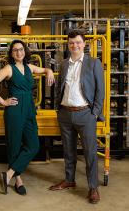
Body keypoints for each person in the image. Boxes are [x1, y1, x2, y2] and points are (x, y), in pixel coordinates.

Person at [0, 39, 54, 195]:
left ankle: (8, 174)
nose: (19, 52)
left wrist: (49, 71)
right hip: (14, 109)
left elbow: (44, 70)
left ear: (25, 51)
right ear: (11, 53)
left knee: (33, 145)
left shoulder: (29, 67)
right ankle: (18, 180)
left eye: (21, 49)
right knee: (14, 145)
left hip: (29, 108)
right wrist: (3, 101)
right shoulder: (9, 68)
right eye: (15, 50)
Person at [49, 30, 105, 204]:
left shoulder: (93, 63)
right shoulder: (63, 64)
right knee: (68, 150)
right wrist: (59, 109)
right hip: (65, 113)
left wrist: (94, 113)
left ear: (84, 44)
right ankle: (69, 180)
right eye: (72, 43)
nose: (75, 45)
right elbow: (59, 88)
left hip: (85, 113)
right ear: (68, 45)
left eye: (78, 42)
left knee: (90, 153)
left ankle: (93, 187)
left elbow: (100, 91)